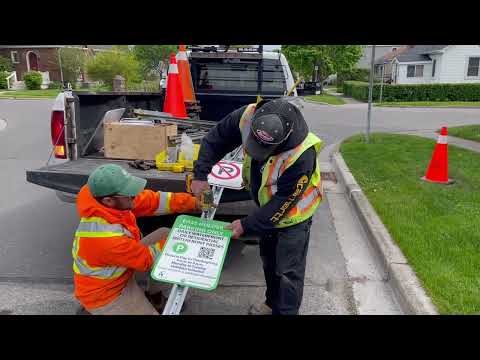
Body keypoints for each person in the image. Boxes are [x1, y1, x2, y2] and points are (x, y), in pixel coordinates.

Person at [191, 98, 323, 315]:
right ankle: (271, 304)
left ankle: (285, 312)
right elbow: (215, 139)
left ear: (284, 139)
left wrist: (246, 224)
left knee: (288, 273)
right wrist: (200, 174)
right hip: (266, 206)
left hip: (294, 215)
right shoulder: (247, 116)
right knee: (269, 262)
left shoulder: (302, 154)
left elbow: (284, 203)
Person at [72, 164, 199, 315]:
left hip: (119, 271)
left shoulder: (106, 200)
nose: (135, 195)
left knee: (165, 234)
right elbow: (147, 259)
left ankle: (155, 297)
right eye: (130, 194)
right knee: (168, 244)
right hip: (107, 295)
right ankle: (100, 311)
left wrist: (192, 203)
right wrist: (183, 238)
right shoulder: (106, 238)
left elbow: (152, 201)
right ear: (108, 201)